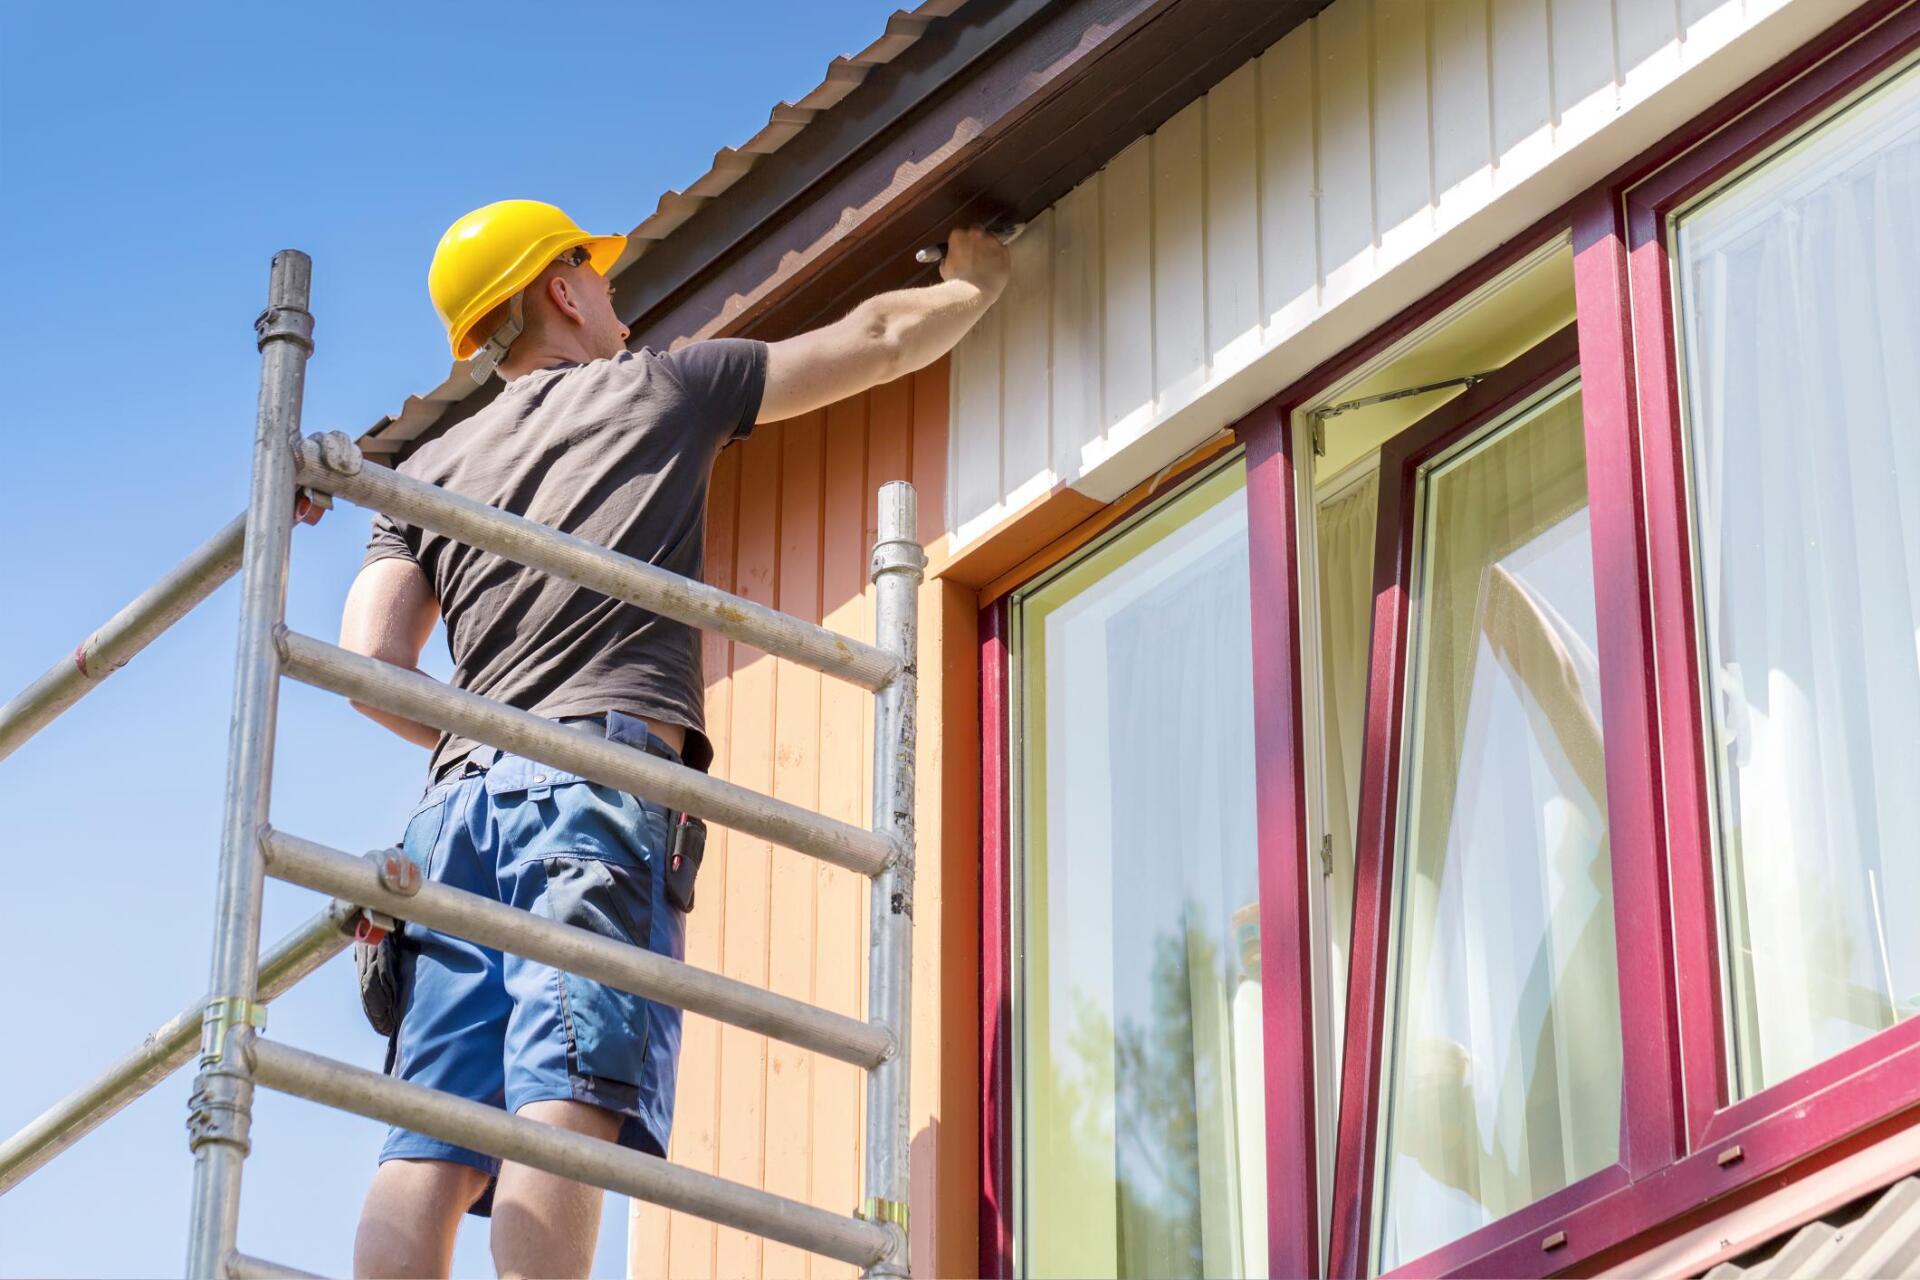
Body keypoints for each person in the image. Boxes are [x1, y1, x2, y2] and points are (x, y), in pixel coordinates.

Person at [337, 198, 1009, 1278]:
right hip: (590, 789)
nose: (617, 301)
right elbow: (881, 339)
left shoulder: (427, 470)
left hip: (451, 814)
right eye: (598, 280)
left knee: (430, 1130)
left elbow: (367, 661)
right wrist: (976, 282)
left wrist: (487, 730)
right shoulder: (659, 384)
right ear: (560, 289)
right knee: (565, 1092)